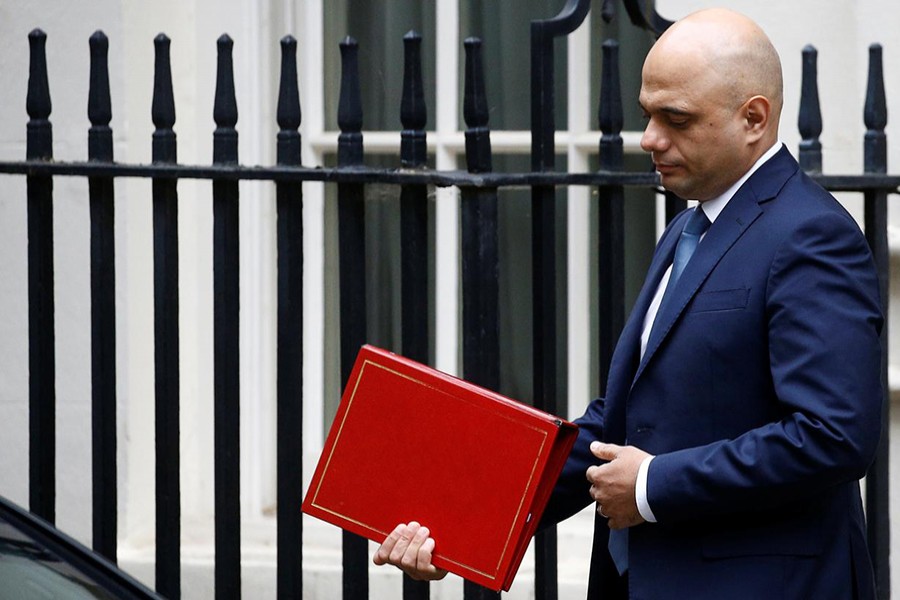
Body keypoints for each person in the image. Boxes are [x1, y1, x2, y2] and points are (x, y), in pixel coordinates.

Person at [374, 7, 884, 599]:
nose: (649, 139)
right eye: (648, 114)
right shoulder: (690, 228)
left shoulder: (811, 234)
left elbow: (833, 435)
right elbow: (621, 422)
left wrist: (651, 485)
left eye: (677, 118)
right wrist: (459, 527)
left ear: (753, 118)